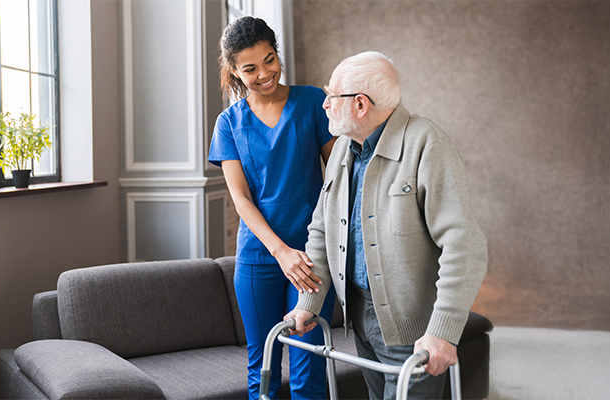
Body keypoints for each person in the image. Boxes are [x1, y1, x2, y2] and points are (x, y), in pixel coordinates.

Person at [283, 51, 488, 400]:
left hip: (415, 331)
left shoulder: (426, 144)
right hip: (360, 318)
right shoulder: (344, 150)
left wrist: (443, 331)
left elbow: (464, 245)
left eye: (331, 96)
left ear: (361, 105)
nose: (325, 105)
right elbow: (322, 229)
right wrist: (308, 302)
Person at [208, 16, 338, 400]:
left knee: (309, 366)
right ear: (233, 70)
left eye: (270, 60)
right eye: (250, 68)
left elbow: (337, 180)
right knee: (261, 367)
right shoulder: (228, 123)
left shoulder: (313, 102)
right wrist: (280, 252)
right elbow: (241, 199)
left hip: (312, 256)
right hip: (258, 258)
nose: (264, 73)